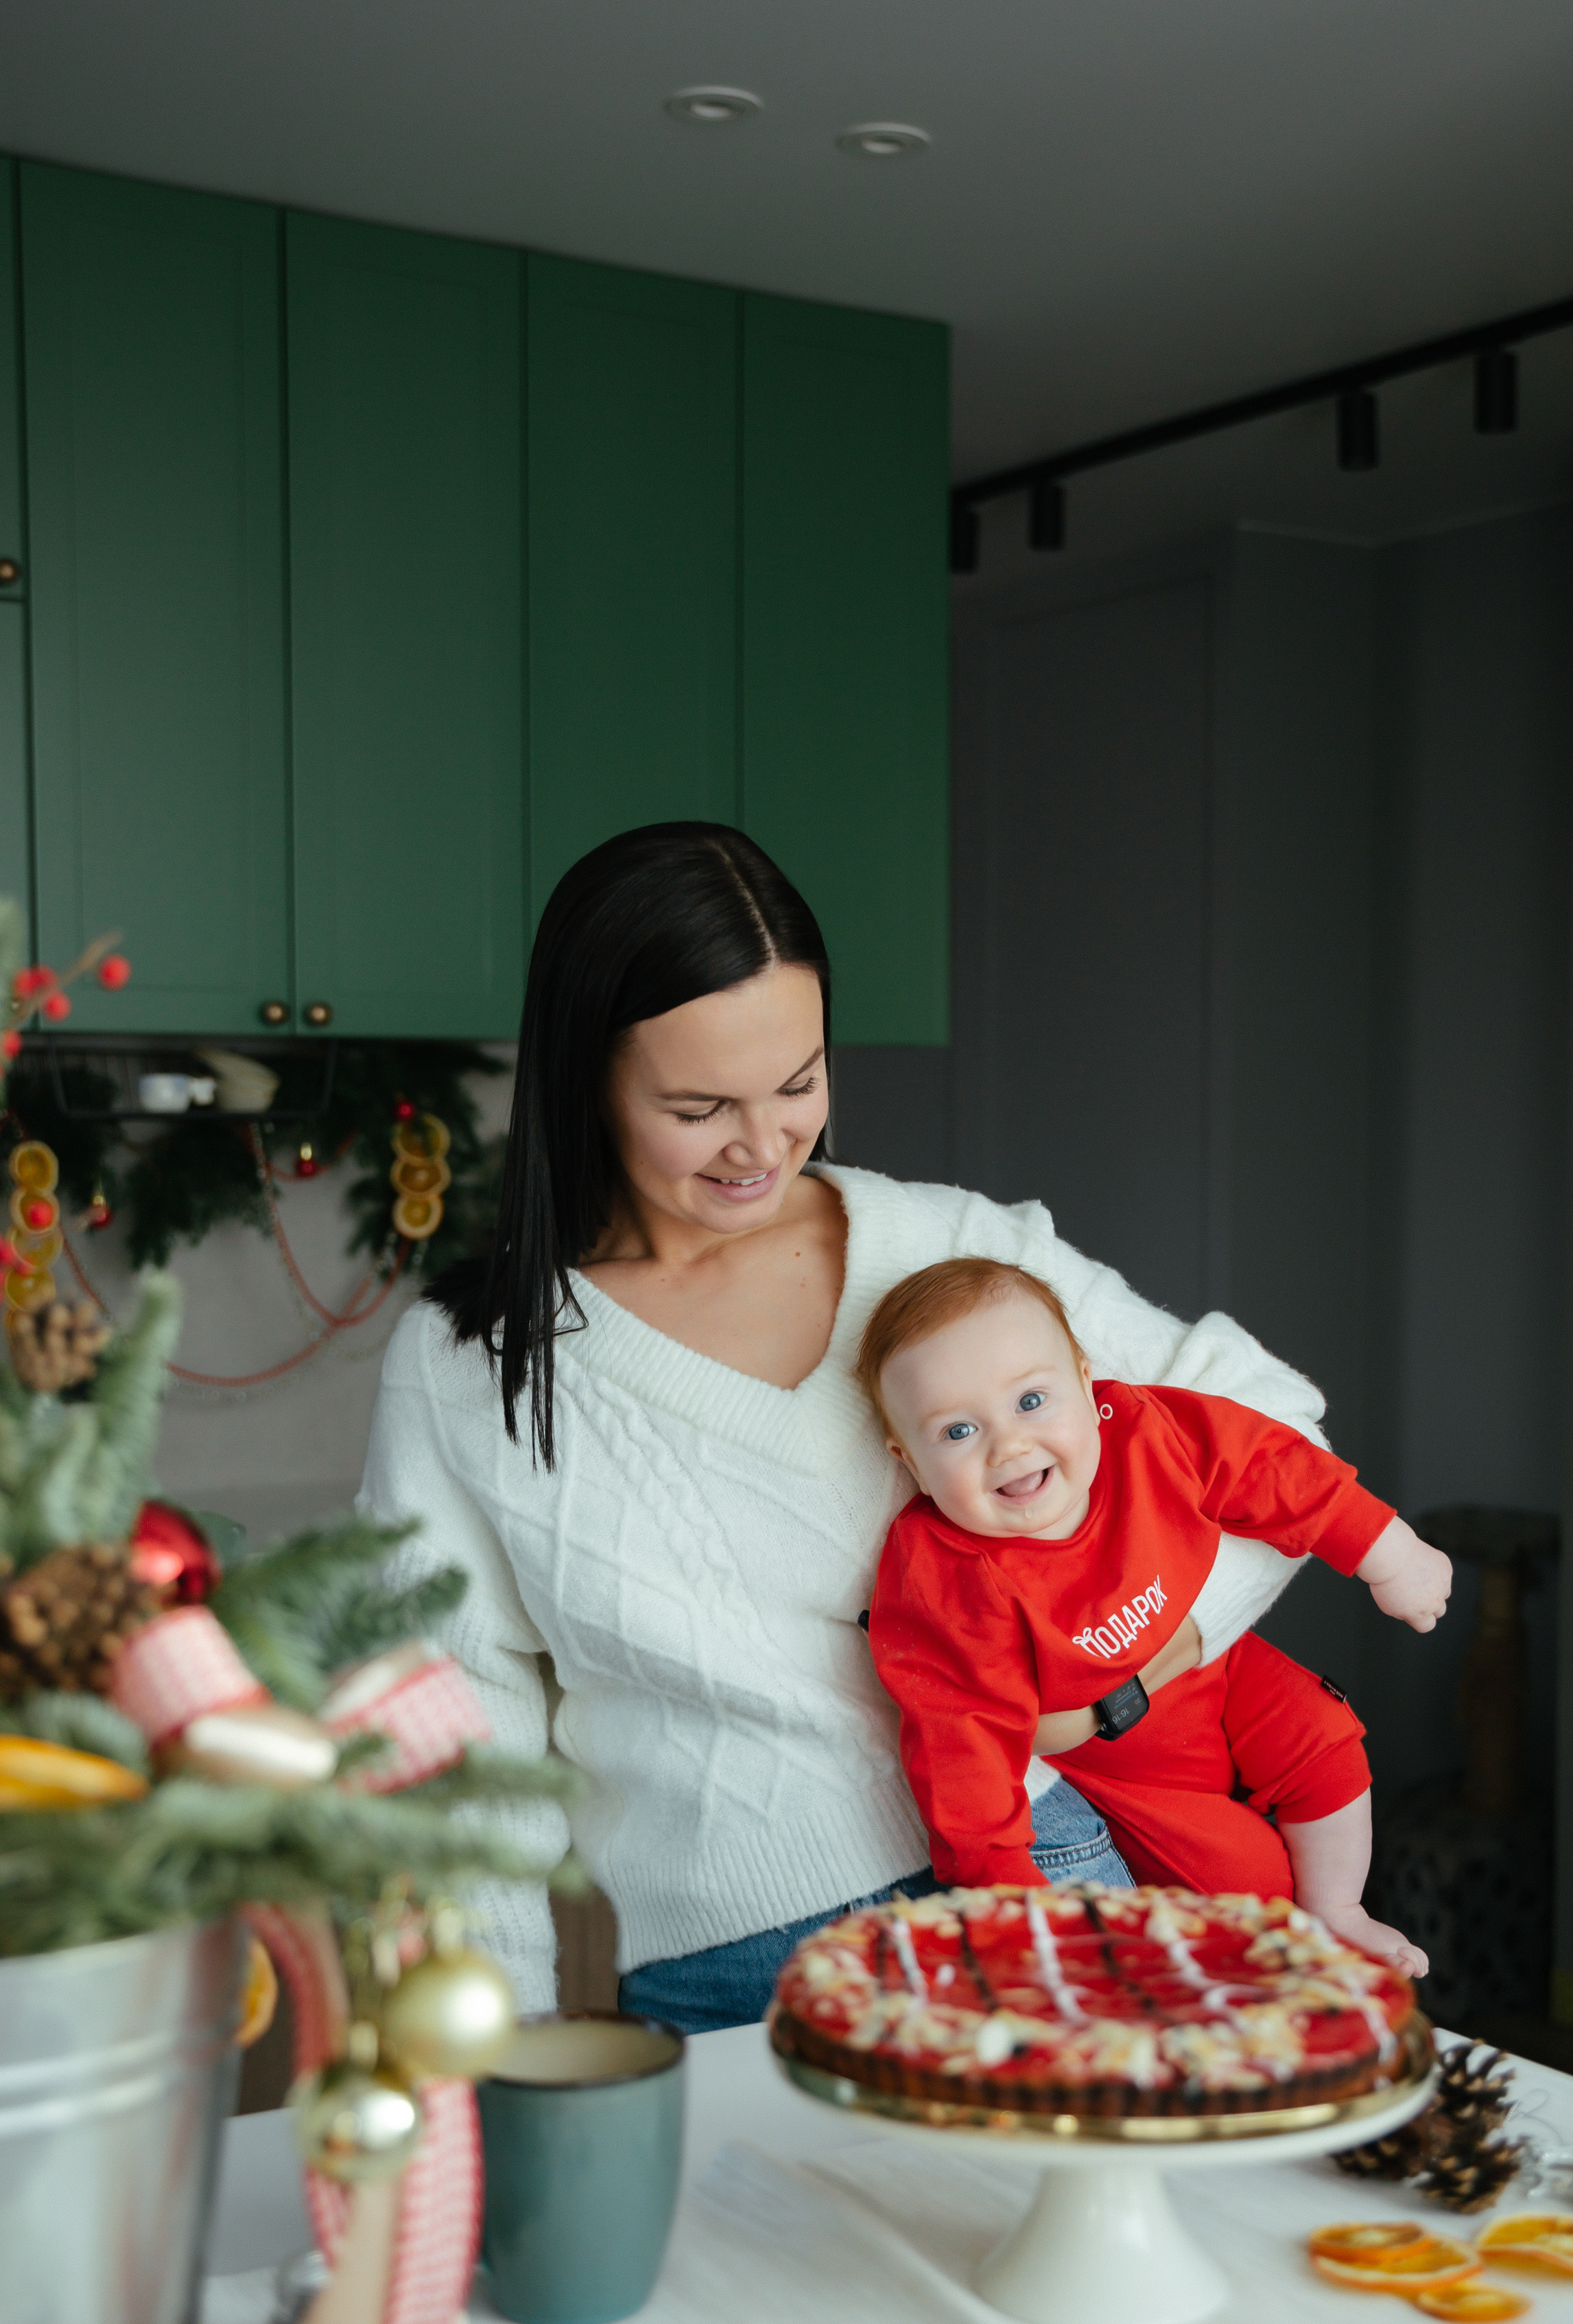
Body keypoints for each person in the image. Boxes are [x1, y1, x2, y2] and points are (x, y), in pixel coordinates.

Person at [357, 822, 1351, 2031]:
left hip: (1047, 1883)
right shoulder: (472, 1372)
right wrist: (493, 2050)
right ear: (587, 1081)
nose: (764, 1144)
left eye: (798, 1083)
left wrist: (1130, 1672)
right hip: (729, 1974)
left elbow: (1272, 1422)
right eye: (700, 1105)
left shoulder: (947, 1253)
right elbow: (449, 1743)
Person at [859, 1257, 1449, 1976]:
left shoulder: (1143, 1428)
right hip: (1124, 1763)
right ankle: (1292, 1951)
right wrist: (1005, 1899)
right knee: (1242, 1876)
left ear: (1084, 1379)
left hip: (1222, 1674)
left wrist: (1387, 1550)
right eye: (956, 1433)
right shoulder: (943, 1576)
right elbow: (959, 1755)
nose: (1008, 1445)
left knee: (1324, 1740)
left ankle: (1338, 1909)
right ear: (907, 1461)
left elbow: (1270, 1467)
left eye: (1032, 1401)